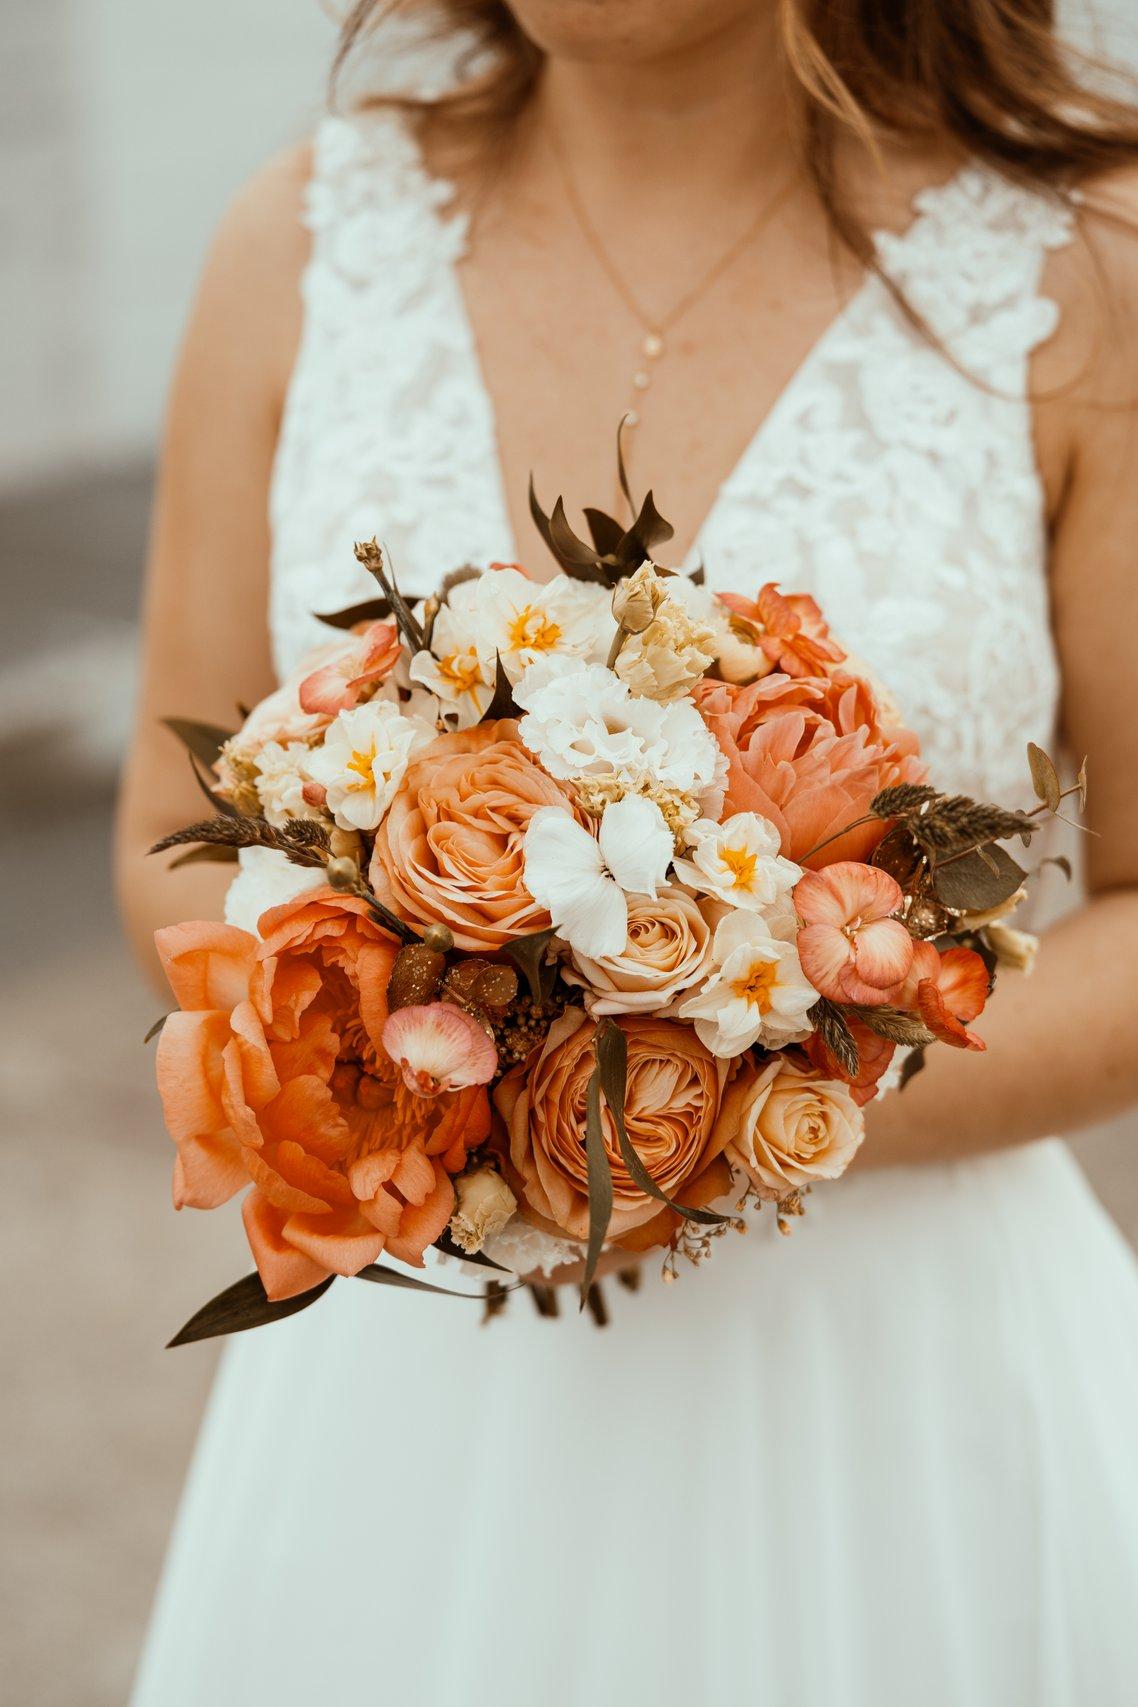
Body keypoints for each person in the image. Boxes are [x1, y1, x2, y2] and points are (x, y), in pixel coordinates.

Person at [119, 3, 1138, 1701]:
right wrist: (408, 1095)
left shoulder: (1080, 269)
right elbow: (177, 835)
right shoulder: (298, 248)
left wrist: (712, 1114)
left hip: (908, 1407)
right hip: (413, 1431)